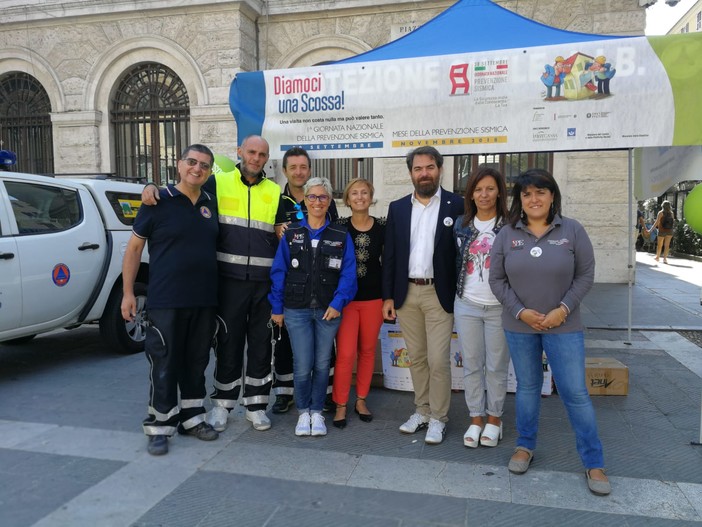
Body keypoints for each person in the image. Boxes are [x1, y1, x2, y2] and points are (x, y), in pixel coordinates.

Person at [141, 135, 281, 433]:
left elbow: (282, 230)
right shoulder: (218, 183)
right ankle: (222, 405)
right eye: (251, 152)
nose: (256, 158)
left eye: (262, 154)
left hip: (262, 284)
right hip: (226, 282)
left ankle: (256, 406)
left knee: (260, 346)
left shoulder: (274, 190)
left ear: (267, 159)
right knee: (228, 344)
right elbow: (185, 186)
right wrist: (151, 186)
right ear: (240, 152)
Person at [489, 168, 610, 496]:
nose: (534, 199)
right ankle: (525, 446)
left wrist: (562, 310)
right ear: (520, 200)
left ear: (552, 195)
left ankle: (593, 461)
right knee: (528, 388)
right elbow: (496, 280)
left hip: (564, 326)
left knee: (575, 393)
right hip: (519, 325)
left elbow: (585, 275)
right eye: (527, 194)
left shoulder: (572, 230)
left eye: (540, 192)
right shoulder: (507, 234)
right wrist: (521, 312)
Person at [122, 144, 220, 455]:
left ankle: (192, 418)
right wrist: (127, 293)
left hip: (203, 300)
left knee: (196, 361)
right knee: (163, 362)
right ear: (179, 165)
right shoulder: (157, 201)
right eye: (192, 162)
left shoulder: (210, 203)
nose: (197, 168)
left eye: (204, 165)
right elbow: (134, 249)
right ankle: (160, 425)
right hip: (166, 300)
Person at [382, 146, 464, 445]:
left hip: (438, 293)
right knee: (416, 357)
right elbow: (389, 254)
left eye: (430, 167)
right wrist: (388, 297)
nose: (424, 173)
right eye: (418, 169)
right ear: (411, 173)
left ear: (439, 169)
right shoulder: (399, 207)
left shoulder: (457, 205)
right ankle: (422, 410)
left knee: (439, 360)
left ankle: (439, 418)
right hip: (406, 294)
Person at [269, 177, 357, 437]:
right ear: (305, 200)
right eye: (312, 197)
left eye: (323, 197)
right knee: (302, 363)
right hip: (296, 310)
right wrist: (277, 307)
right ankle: (303, 413)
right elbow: (278, 271)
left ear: (329, 202)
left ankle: (317, 412)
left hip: (328, 311)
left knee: (321, 364)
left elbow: (349, 274)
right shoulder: (292, 234)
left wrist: (339, 303)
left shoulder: (341, 235)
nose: (317, 202)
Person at [271, 147, 339, 415]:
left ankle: (326, 394)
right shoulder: (276, 199)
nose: (299, 172)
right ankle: (284, 393)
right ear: (285, 170)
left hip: (321, 285)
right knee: (286, 342)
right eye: (293, 167)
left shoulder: (323, 197)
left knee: (324, 347)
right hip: (289, 283)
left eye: (303, 167)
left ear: (309, 170)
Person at [453, 167, 509, 448]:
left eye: (489, 188)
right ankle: (476, 418)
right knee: (472, 365)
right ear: (471, 194)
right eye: (477, 189)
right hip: (467, 304)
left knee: (497, 367)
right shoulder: (462, 225)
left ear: (499, 190)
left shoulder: (510, 226)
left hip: (500, 307)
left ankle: (495, 419)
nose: (483, 194)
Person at [332, 178, 385, 428]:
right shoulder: (338, 227)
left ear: (371, 196)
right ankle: (341, 403)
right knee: (345, 353)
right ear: (347, 199)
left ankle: (361, 399)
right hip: (346, 301)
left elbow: (390, 263)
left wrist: (390, 297)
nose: (360, 197)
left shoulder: (383, 227)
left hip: (374, 299)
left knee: (367, 351)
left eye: (365, 192)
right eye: (355, 193)